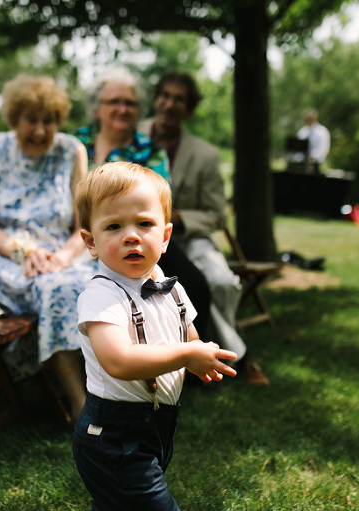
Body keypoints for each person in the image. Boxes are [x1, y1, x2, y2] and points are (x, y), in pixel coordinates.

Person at [72, 162, 238, 510]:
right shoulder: (102, 296)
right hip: (114, 435)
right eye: (114, 226)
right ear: (91, 241)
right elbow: (118, 361)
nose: (131, 235)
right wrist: (184, 357)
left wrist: (200, 356)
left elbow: (187, 334)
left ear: (164, 237)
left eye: (144, 224)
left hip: (157, 424)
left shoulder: (170, 287)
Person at [0, 74, 95, 422]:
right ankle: (79, 401)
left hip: (65, 253)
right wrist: (24, 253)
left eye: (49, 121)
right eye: (32, 120)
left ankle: (117, 387)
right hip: (9, 255)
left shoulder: (72, 149)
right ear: (14, 118)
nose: (41, 130)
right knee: (57, 287)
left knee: (110, 282)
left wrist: (61, 257)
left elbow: (82, 227)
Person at [138, 71, 269, 386]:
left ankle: (220, 353)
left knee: (221, 282)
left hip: (189, 237)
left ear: (189, 109)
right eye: (165, 96)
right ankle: (241, 356)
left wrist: (181, 219)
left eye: (178, 99)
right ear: (156, 99)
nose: (169, 104)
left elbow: (216, 215)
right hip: (139, 236)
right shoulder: (132, 135)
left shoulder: (205, 155)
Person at [74, 67, 212, 347]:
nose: (122, 109)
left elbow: (162, 203)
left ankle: (192, 352)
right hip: (83, 236)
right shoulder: (76, 143)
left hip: (140, 232)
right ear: (97, 107)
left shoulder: (150, 150)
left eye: (130, 103)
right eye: (114, 101)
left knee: (194, 282)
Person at [296, 108, 330, 174]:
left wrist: (313, 157)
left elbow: (324, 149)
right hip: (302, 163)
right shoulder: (302, 131)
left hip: (317, 164)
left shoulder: (322, 132)